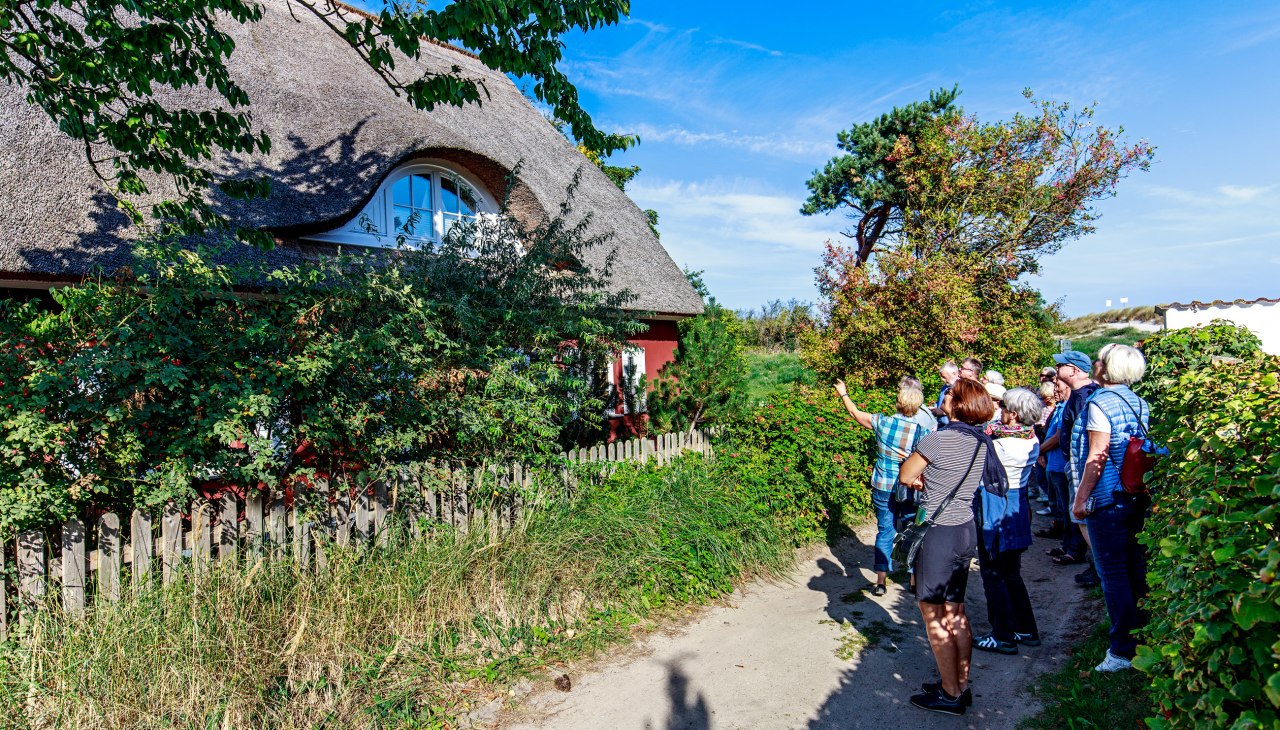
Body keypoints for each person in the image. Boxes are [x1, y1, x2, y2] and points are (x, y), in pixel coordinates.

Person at [897, 378, 1002, 716]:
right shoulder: (981, 442)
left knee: (933, 615)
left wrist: (918, 472)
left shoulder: (937, 440)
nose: (944, 397)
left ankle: (949, 693)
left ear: (957, 405)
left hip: (939, 533)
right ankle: (961, 681)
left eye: (950, 395)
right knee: (956, 612)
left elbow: (905, 475)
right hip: (965, 528)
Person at [1070, 345, 1152, 672]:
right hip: (1135, 494)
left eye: (1100, 359)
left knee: (1113, 573)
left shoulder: (1100, 403)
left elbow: (1097, 456)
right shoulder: (1139, 402)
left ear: (1108, 368)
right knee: (1134, 569)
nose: (1096, 363)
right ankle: (1142, 636)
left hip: (1109, 499)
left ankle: (1122, 651)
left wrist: (1080, 499)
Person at [833, 378, 926, 596]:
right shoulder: (921, 432)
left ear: (897, 402)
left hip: (883, 484)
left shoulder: (882, 423)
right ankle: (913, 580)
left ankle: (881, 581)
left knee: (885, 530)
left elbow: (856, 414)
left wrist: (843, 393)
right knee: (912, 531)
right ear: (918, 405)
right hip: (909, 487)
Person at [974, 387, 1043, 654]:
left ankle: (1001, 635)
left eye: (1003, 409)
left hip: (996, 506)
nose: (999, 412)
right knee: (1011, 572)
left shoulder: (1001, 445)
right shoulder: (1031, 439)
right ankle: (1026, 628)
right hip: (1017, 507)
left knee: (993, 574)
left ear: (1013, 415)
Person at [1046, 351, 1097, 572]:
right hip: (1073, 464)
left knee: (1081, 515)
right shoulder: (1078, 395)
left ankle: (1096, 567)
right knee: (1074, 514)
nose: (1056, 369)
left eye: (1061, 365)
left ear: (1074, 370)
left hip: (1081, 466)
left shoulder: (1085, 396)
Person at [1035, 378, 1071, 537]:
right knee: (1055, 501)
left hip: (1059, 464)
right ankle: (1058, 531)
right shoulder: (1060, 407)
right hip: (1053, 462)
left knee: (1063, 504)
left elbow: (1058, 438)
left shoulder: (1065, 409)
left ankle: (1068, 541)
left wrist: (1038, 451)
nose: (1055, 390)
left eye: (1058, 386)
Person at [932, 361, 960, 426]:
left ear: (954, 374)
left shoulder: (961, 388)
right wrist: (934, 408)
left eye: (944, 377)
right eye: (941, 377)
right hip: (941, 425)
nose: (942, 379)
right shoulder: (945, 387)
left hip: (953, 427)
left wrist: (942, 412)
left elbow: (961, 409)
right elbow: (939, 402)